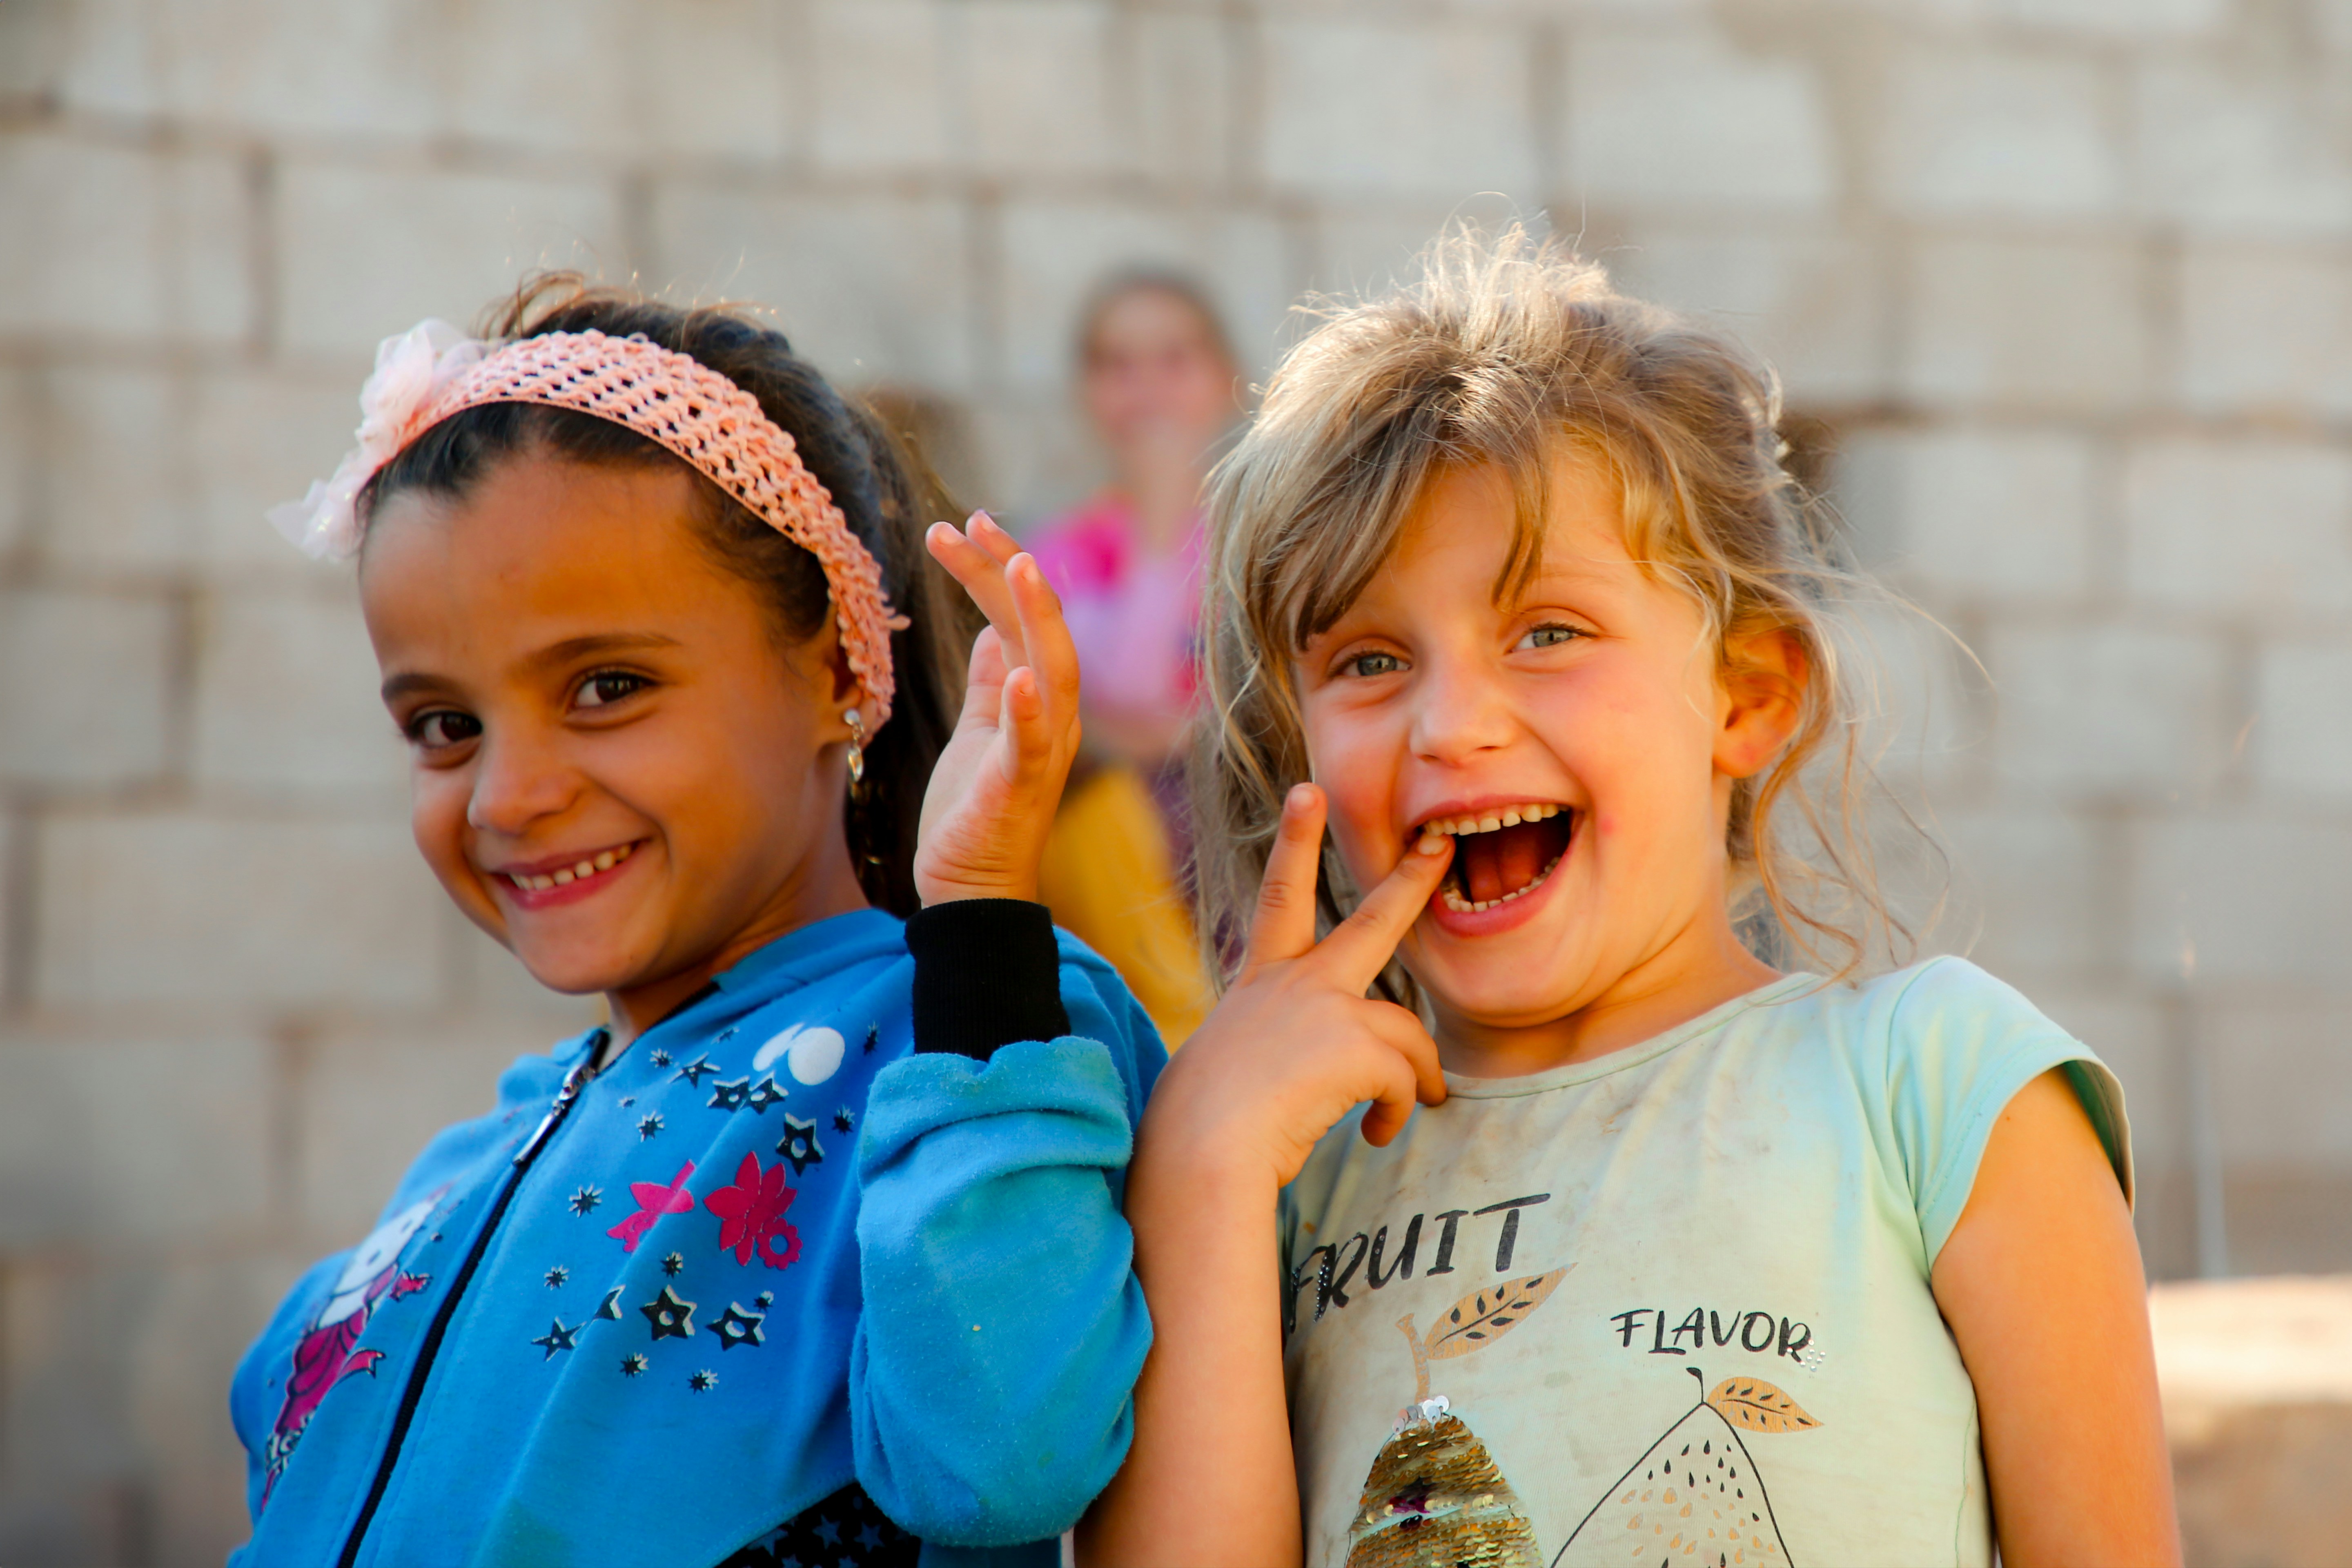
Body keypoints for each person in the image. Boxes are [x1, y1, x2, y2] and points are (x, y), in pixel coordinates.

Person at [1079, 230, 2180, 1566]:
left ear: (1747, 695)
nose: (1452, 723)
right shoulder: (1281, 1177)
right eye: (1369, 658)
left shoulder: (1937, 1091)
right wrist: (1201, 1163)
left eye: (1548, 631)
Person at [232, 278, 1160, 1568]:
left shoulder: (971, 1039)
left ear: (839, 669)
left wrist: (982, 932)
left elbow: (1005, 1459)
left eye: (606, 688)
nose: (509, 796)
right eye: (445, 726)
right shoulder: (459, 1169)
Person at [1023, 272, 1241, 1044]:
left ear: (1227, 379)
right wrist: (1154, 520)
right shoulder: (1065, 554)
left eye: (1174, 358)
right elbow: (1078, 712)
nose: (1146, 388)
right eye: (1118, 363)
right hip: (1117, 844)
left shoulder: (1257, 540)